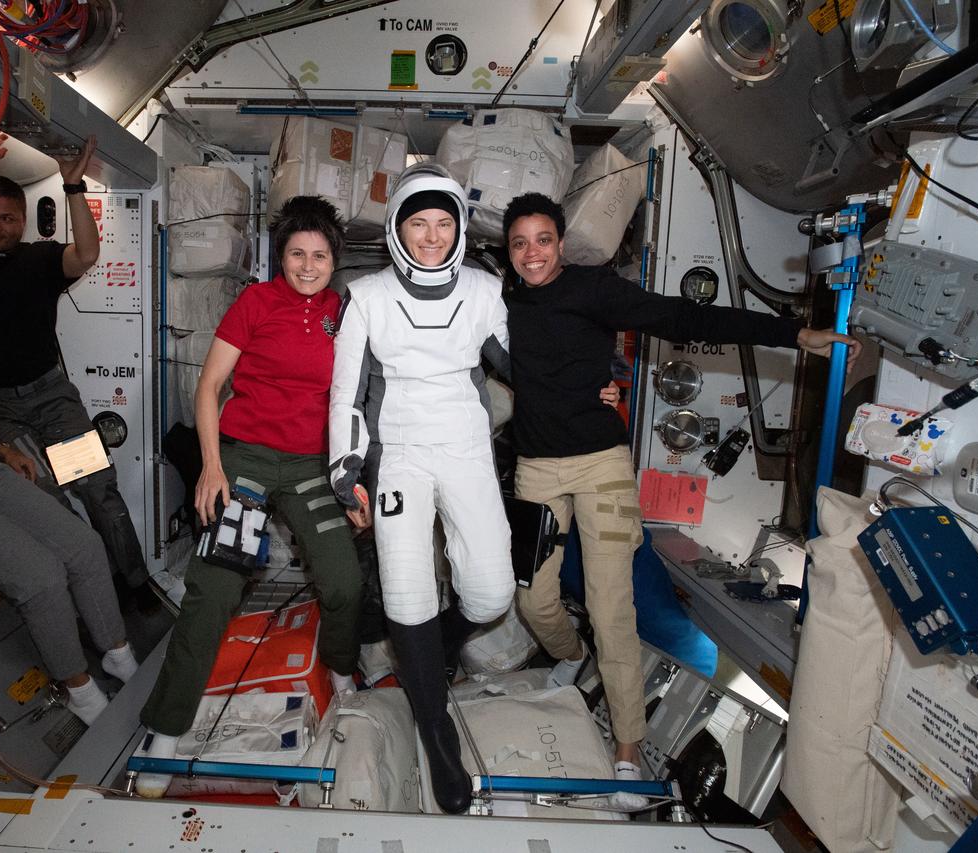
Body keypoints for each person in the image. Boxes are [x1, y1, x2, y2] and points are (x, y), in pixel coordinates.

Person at [501, 191, 861, 808]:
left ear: (561, 242)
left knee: (612, 605)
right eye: (519, 243)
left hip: (601, 466)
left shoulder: (595, 290)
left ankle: (626, 754)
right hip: (536, 471)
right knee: (534, 600)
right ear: (507, 253)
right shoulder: (498, 301)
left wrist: (792, 333)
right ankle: (574, 653)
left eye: (543, 240)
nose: (532, 253)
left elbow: (683, 318)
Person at [135, 196, 366, 799]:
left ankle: (341, 669)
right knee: (213, 591)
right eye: (297, 254)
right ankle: (164, 730)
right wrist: (212, 467)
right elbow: (210, 387)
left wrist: (356, 479)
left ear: (334, 259)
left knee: (344, 583)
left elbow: (362, 403)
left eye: (319, 255)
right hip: (246, 458)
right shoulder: (256, 302)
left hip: (314, 466)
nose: (308, 265)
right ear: (280, 257)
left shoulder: (348, 313)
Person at [328, 163, 514, 815]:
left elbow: (524, 363)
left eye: (443, 223)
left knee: (491, 590)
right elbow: (346, 392)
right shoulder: (367, 296)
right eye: (418, 223)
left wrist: (584, 380)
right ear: (398, 230)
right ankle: (438, 736)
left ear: (459, 227)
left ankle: (432, 651)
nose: (432, 237)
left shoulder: (486, 291)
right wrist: (346, 470)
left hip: (465, 446)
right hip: (399, 454)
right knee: (408, 591)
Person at [0, 135, 150, 599]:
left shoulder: (39, 259)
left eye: (7, 218)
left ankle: (135, 585)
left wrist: (72, 187)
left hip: (50, 398)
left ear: (23, 222)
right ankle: (91, 587)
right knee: (43, 498)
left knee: (94, 489)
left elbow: (86, 254)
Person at [0, 412, 138, 725]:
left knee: (85, 547)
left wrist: (2, 450)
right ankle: (78, 690)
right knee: (42, 580)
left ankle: (117, 654)